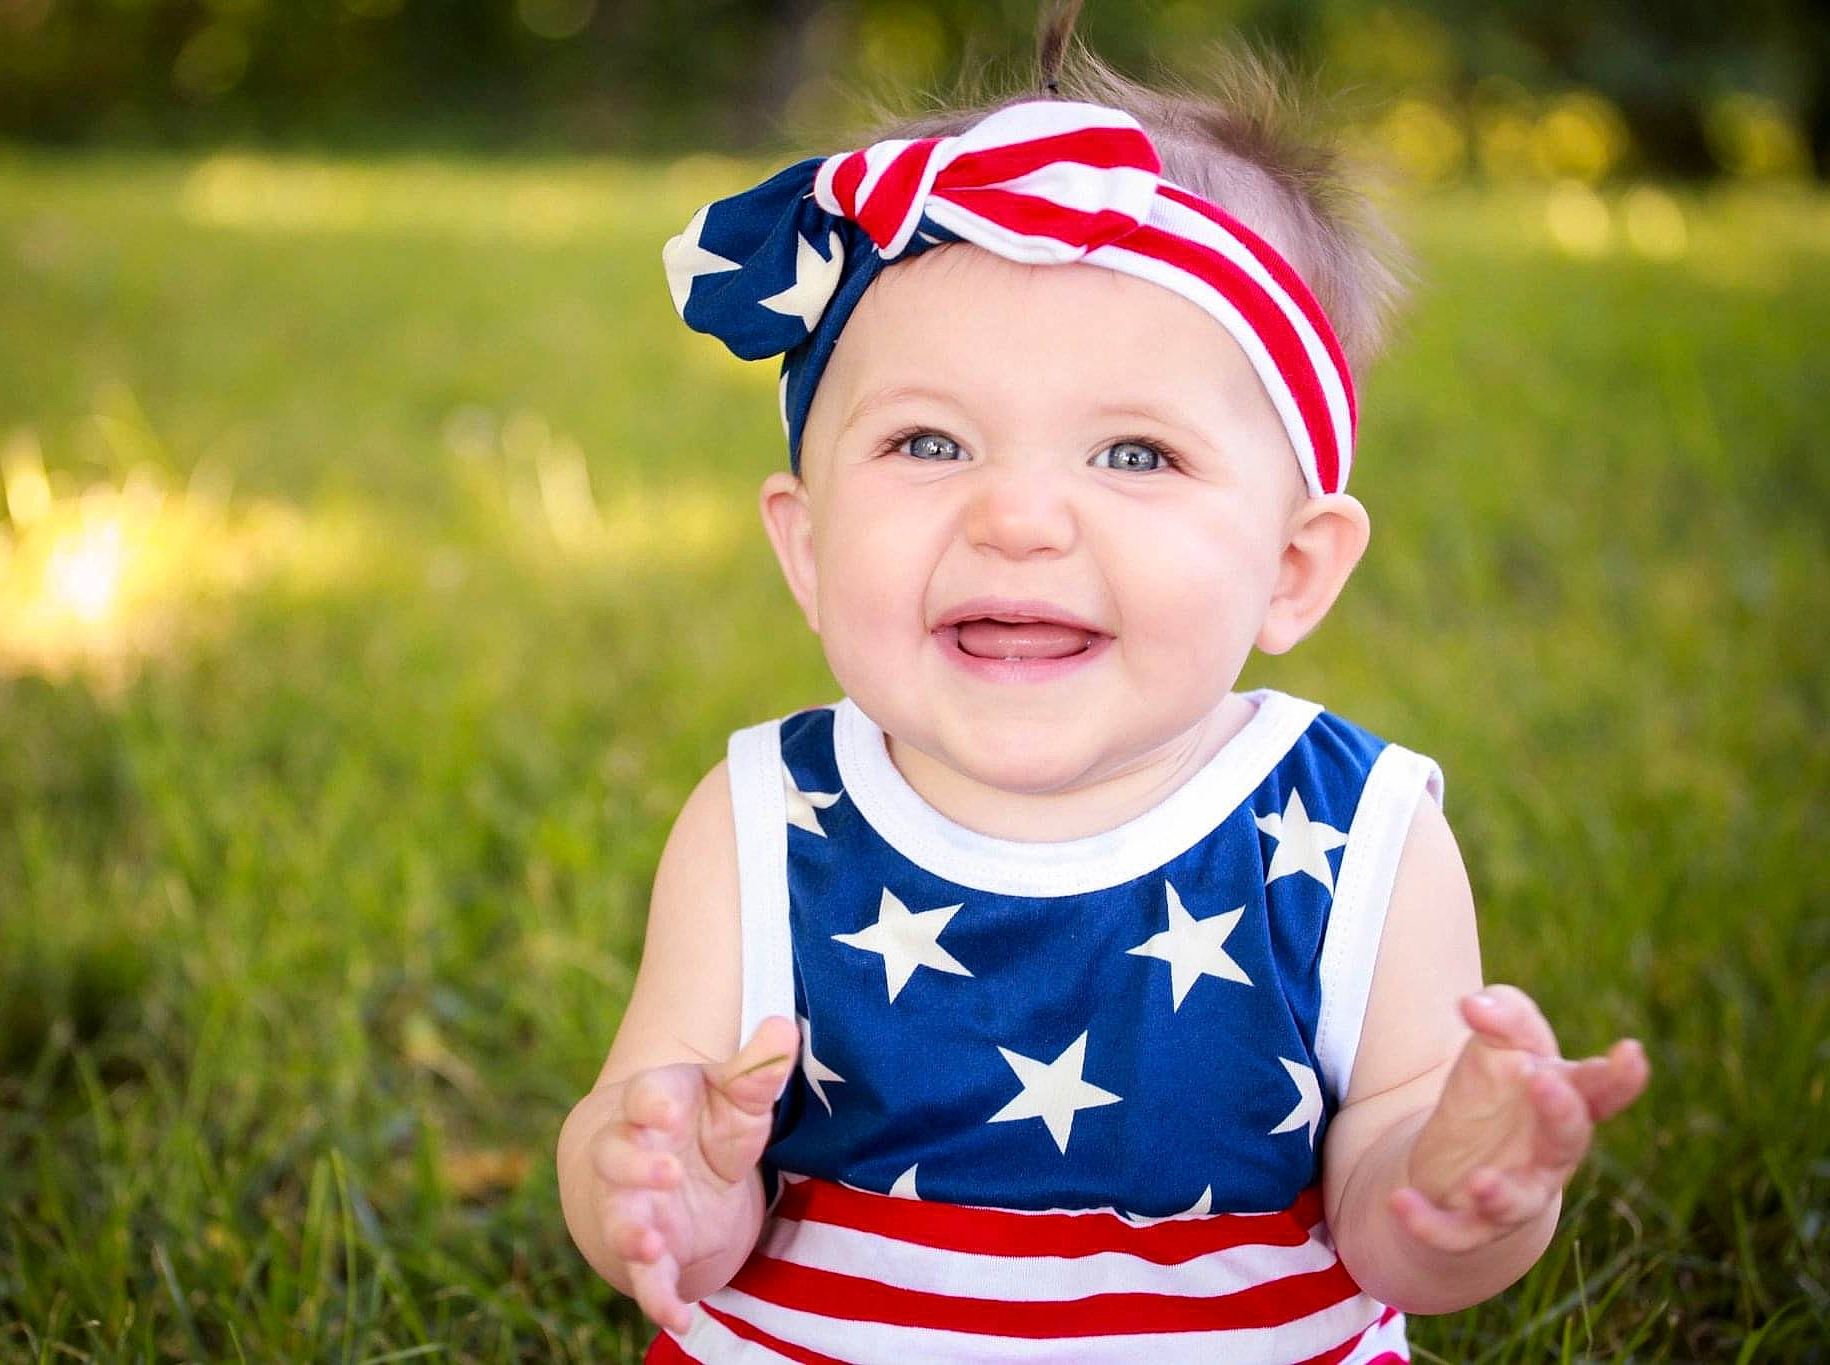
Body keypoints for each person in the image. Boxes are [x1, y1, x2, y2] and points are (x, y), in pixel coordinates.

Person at [557, 19, 1649, 1363]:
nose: (1017, 517)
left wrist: (1459, 1188)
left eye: (1134, 452)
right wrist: (659, 1181)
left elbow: (1387, 1221)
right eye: (929, 440)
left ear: (1293, 569)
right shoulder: (763, 822)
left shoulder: (1355, 837)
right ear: (805, 539)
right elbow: (657, 1155)